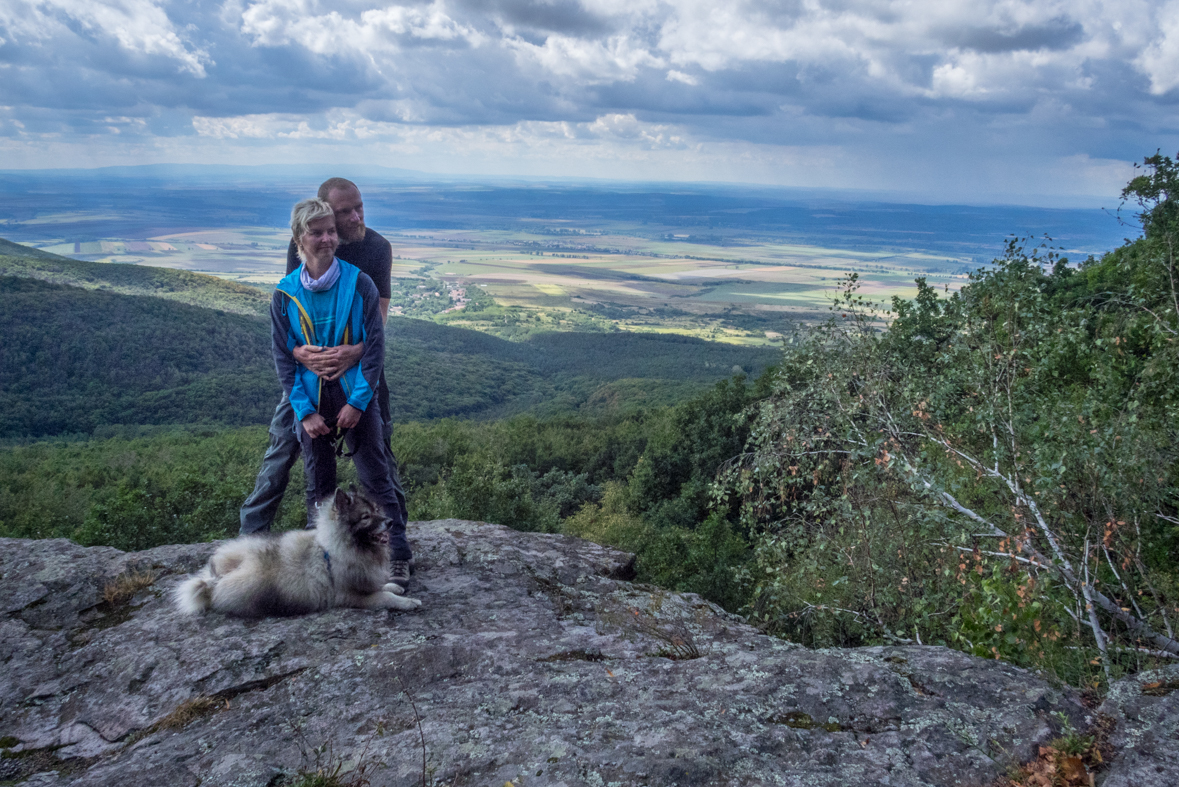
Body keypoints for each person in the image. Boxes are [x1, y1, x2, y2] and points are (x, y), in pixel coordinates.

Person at [242, 178, 411, 586]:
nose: (356, 218)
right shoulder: (301, 245)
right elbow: (293, 317)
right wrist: (299, 356)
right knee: (285, 453)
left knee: (378, 460)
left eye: (359, 207)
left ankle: (398, 550)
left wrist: (353, 354)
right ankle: (252, 545)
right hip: (308, 380)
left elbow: (379, 324)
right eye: (343, 213)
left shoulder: (375, 249)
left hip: (359, 374)